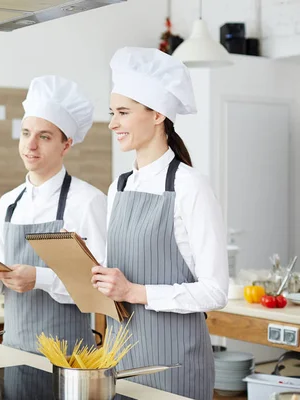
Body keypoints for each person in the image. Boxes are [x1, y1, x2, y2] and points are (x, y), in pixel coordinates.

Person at [91, 47, 228, 400]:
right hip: (122, 360)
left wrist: (134, 292)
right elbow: (117, 279)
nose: (112, 123)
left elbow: (215, 291)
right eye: (112, 112)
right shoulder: (119, 186)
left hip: (175, 366)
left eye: (123, 112)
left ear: (157, 115)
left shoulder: (189, 184)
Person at [0, 75, 107, 354]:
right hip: (15, 352)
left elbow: (100, 290)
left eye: (44, 136)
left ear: (66, 145)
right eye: (26, 133)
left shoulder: (89, 201)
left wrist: (40, 278)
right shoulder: (8, 203)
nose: (31, 145)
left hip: (71, 360)